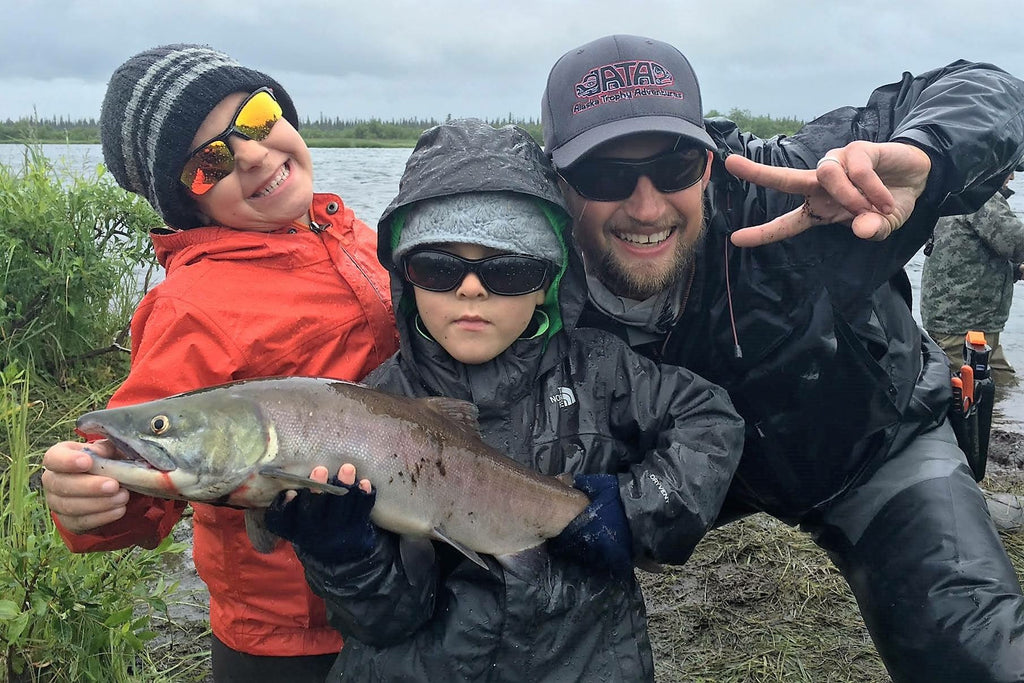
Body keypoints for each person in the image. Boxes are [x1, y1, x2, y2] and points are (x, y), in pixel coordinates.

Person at [541, 34, 1024, 682]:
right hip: (692, 474)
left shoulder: (788, 185)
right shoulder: (525, 279)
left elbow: (988, 89)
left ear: (710, 162)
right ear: (559, 182)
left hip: (870, 444)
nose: (647, 205)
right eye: (606, 174)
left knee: (977, 651)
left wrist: (929, 155)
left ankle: (962, 508)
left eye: (677, 165)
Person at [261, 118, 745, 681]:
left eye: (510, 270)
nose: (471, 289)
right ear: (406, 278)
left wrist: (634, 509)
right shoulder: (370, 408)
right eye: (437, 267)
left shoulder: (602, 369)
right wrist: (344, 555)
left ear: (549, 280)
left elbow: (711, 421)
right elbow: (384, 620)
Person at [39, 44, 397, 682]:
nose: (253, 154)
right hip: (292, 636)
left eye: (256, 120)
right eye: (209, 163)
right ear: (189, 206)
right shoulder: (189, 310)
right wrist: (91, 500)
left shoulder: (362, 238)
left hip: (403, 592)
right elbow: (149, 461)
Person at [922, 168, 1024, 386]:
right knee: (973, 393)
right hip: (964, 324)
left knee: (1001, 386)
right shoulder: (981, 195)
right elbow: (1016, 242)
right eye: (1008, 170)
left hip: (962, 320)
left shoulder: (960, 189)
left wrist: (1016, 270)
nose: (1013, 177)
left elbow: (968, 253)